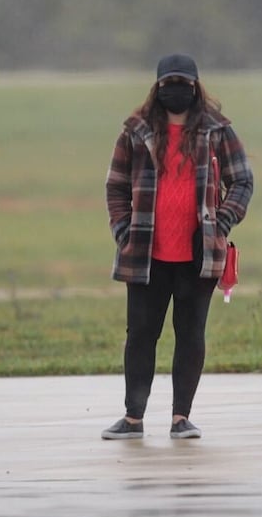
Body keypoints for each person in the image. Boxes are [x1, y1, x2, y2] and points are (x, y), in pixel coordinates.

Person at [102, 54, 252, 440]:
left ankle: (180, 418)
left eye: (184, 85)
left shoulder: (218, 131)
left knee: (191, 335)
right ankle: (133, 418)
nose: (176, 91)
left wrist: (221, 223)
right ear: (157, 88)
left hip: (198, 255)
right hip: (145, 254)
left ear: (196, 88)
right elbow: (116, 185)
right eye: (169, 84)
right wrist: (124, 230)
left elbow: (242, 181)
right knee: (140, 335)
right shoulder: (135, 132)